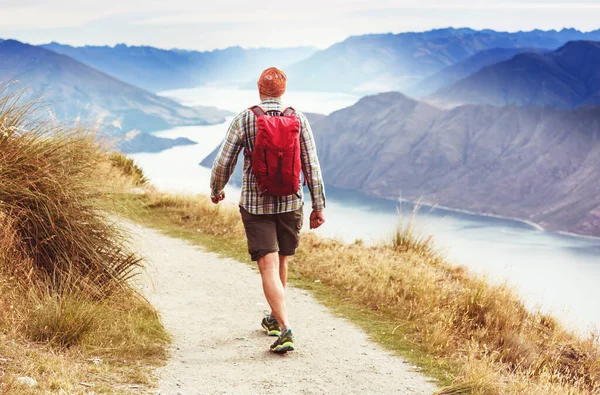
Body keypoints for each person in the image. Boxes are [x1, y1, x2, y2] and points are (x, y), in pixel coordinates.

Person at [210, 67, 326, 354]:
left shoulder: (245, 118)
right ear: (283, 90)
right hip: (291, 202)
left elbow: (224, 162)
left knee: (268, 266)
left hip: (256, 203)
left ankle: (284, 327)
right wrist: (318, 205)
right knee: (281, 262)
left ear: (259, 88)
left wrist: (216, 189)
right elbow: (311, 165)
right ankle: (274, 319)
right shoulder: (298, 118)